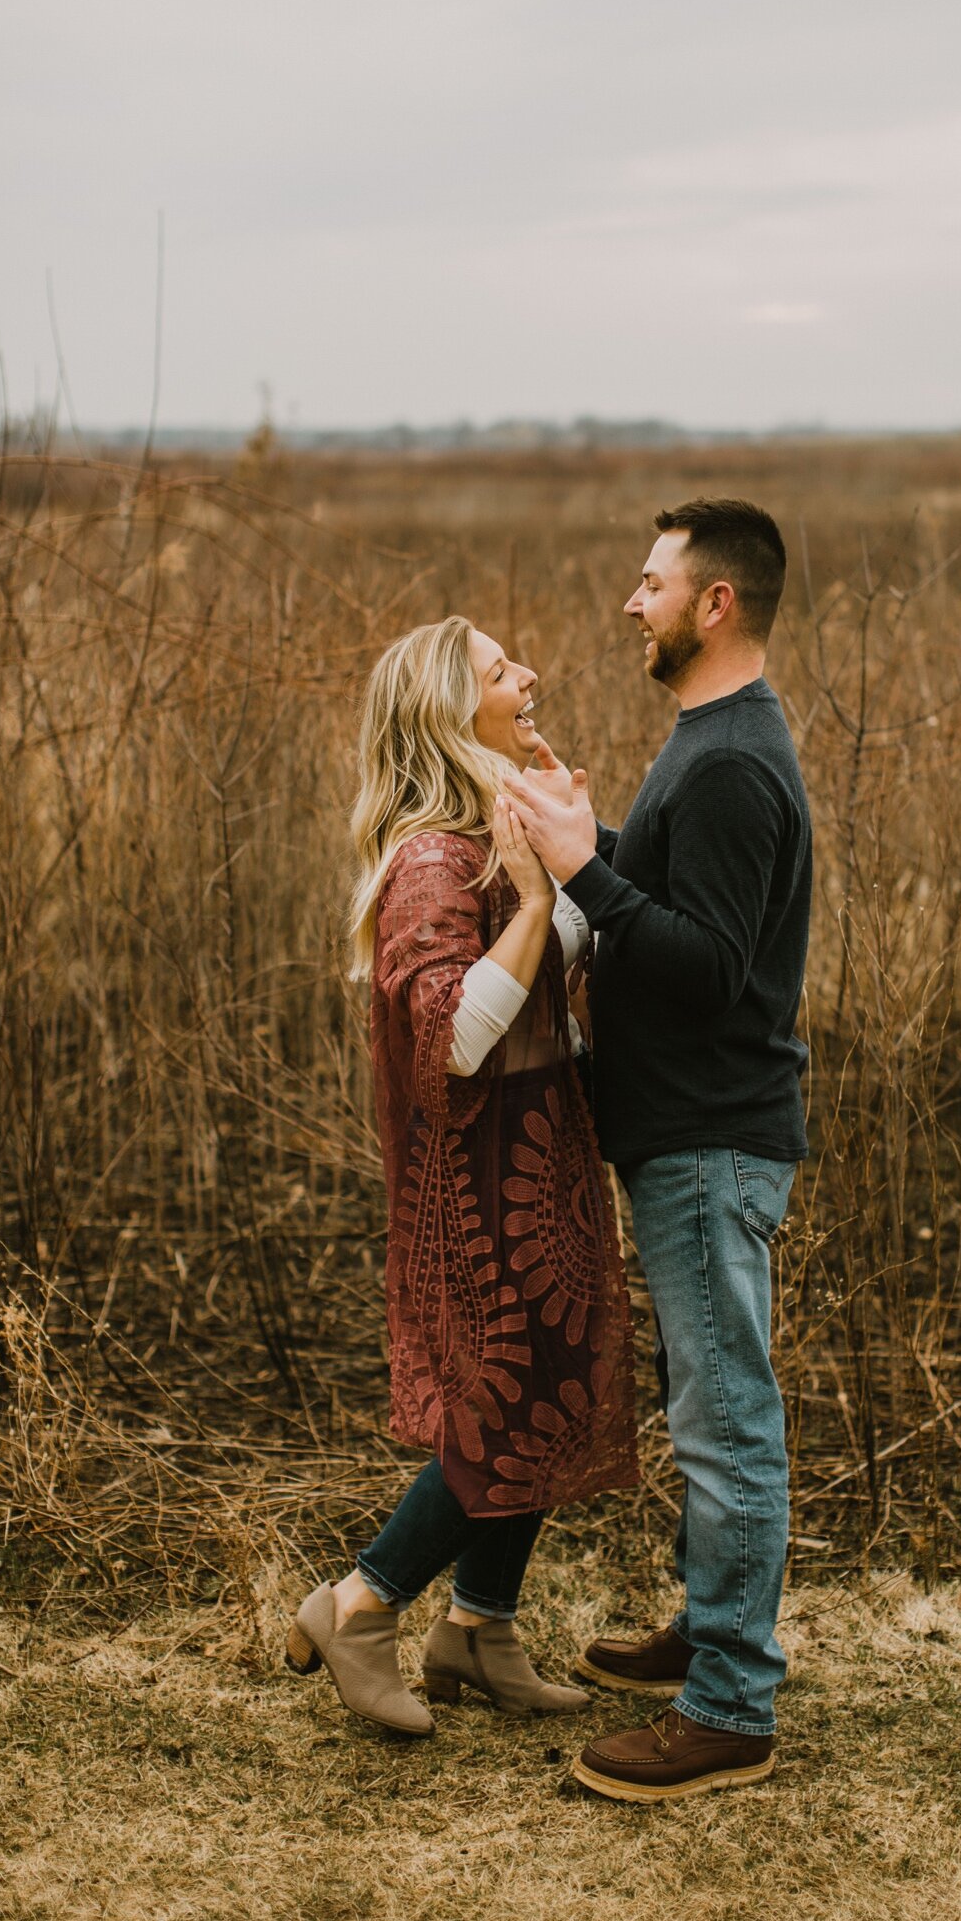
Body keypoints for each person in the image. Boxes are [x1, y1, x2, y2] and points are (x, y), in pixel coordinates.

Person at [285, 616, 638, 1735]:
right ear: (449, 712)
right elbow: (450, 1032)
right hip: (483, 1183)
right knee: (504, 1399)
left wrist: (566, 854)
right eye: (499, 671)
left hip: (543, 1158)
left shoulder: (491, 825)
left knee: (558, 1380)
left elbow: (562, 972)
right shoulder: (433, 855)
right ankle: (361, 1603)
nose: (529, 674)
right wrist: (535, 903)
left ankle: (478, 1627)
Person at [509, 499, 812, 1800]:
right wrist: (611, 845)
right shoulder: (710, 741)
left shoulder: (736, 760)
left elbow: (708, 969)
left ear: (715, 604)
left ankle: (731, 1706)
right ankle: (709, 1625)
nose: (630, 603)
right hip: (683, 1135)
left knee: (726, 1420)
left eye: (649, 584)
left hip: (709, 1137)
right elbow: (684, 907)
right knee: (710, 1411)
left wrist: (584, 871)